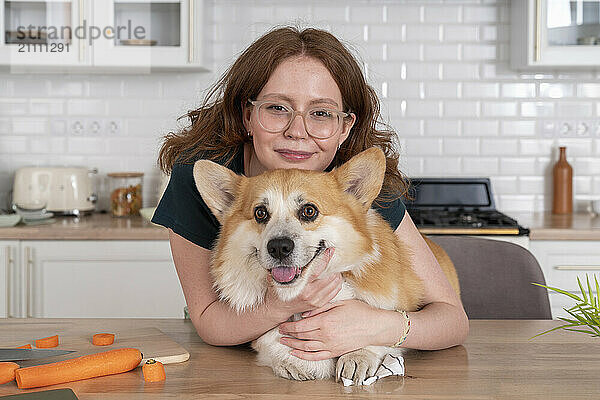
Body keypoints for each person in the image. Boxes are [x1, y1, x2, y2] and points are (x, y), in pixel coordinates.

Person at [152, 25, 468, 361]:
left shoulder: (354, 186)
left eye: (320, 113)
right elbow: (209, 322)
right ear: (248, 115)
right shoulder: (204, 174)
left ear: (345, 127)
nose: (297, 131)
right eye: (277, 108)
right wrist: (285, 302)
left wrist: (376, 327)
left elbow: (452, 321)